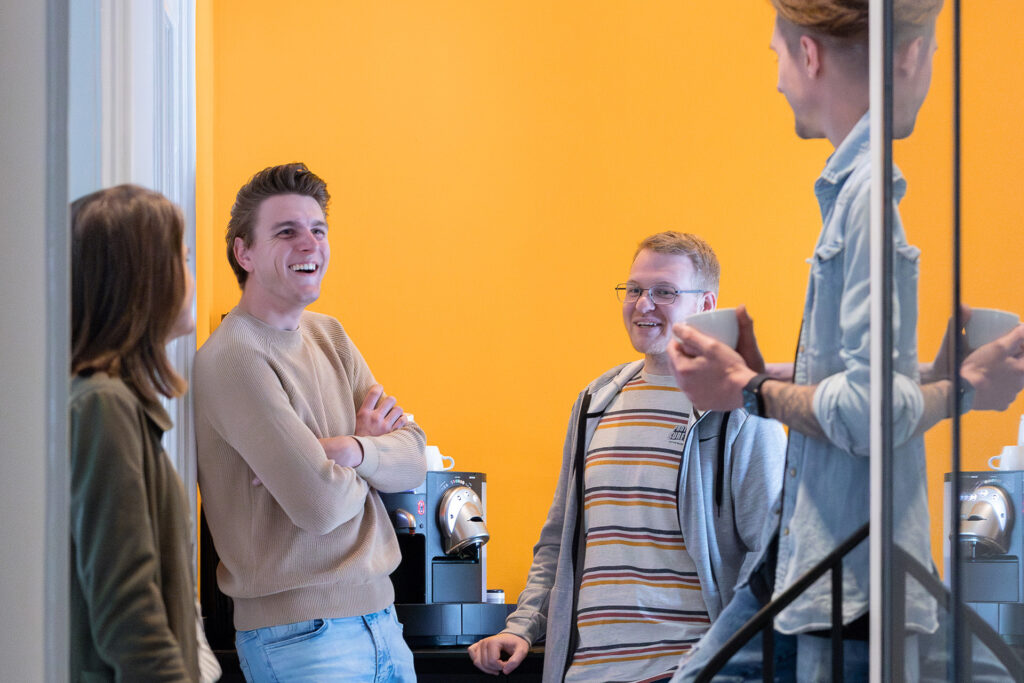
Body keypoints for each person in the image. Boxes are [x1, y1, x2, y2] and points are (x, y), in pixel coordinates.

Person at [667, 1, 1024, 680]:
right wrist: (944, 379)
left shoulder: (865, 203)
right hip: (811, 566)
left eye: (776, 55)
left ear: (808, 55)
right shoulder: (856, 196)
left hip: (847, 585)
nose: (776, 80)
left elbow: (865, 412)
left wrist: (749, 389)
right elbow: (868, 392)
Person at [468, 232, 787, 682]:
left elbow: (772, 552)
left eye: (664, 292)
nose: (643, 305)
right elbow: (560, 539)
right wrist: (522, 626)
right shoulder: (596, 401)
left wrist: (725, 660)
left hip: (685, 669)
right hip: (585, 672)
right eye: (634, 289)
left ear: (706, 304)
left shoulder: (742, 407)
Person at [193, 163, 426, 682]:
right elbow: (319, 507)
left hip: (384, 623)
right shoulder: (234, 358)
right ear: (244, 253)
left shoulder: (330, 335)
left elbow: (415, 460)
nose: (309, 244)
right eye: (286, 231)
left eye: (318, 230)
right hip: (300, 638)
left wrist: (349, 449)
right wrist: (370, 452)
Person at [69, 185, 201, 681]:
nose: (190, 275)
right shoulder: (104, 405)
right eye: (182, 259)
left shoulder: (113, 402)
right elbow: (128, 613)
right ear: (146, 278)